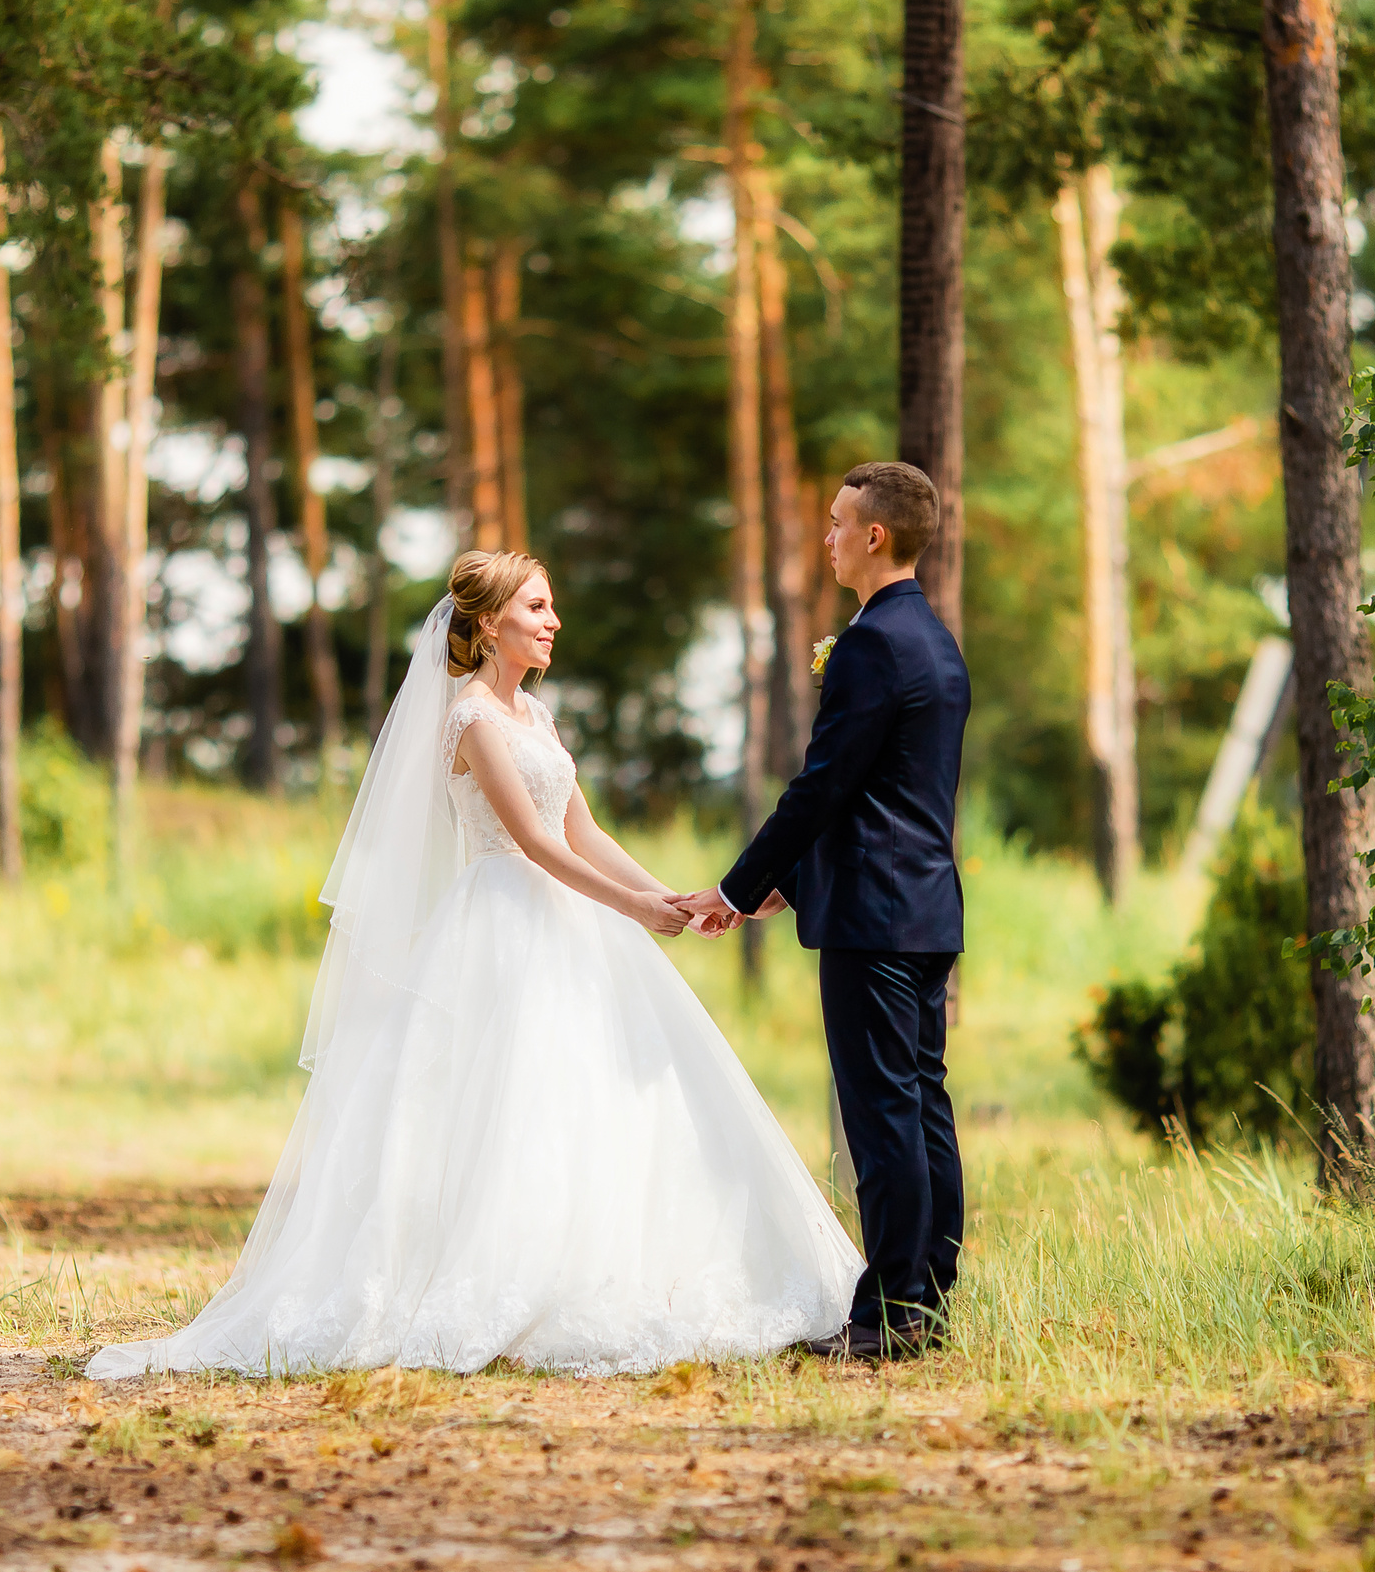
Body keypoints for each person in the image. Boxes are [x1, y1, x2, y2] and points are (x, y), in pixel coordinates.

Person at [86, 551, 859, 1379]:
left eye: (552, 605)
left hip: (572, 919)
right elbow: (531, 840)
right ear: (490, 623)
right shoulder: (472, 719)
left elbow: (583, 831)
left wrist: (669, 896)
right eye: (536, 606)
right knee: (500, 1103)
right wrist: (630, 907)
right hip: (499, 920)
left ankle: (599, 1262)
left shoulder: (537, 716)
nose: (553, 620)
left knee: (593, 1096)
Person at [672, 461, 972, 1363]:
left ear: (875, 534)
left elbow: (823, 789)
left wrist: (733, 886)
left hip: (874, 921)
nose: (829, 535)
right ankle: (929, 1297)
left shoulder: (876, 642)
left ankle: (889, 1314)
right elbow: (889, 795)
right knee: (921, 1106)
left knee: (883, 1115)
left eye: (840, 522)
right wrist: (790, 884)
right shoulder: (934, 639)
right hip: (921, 907)